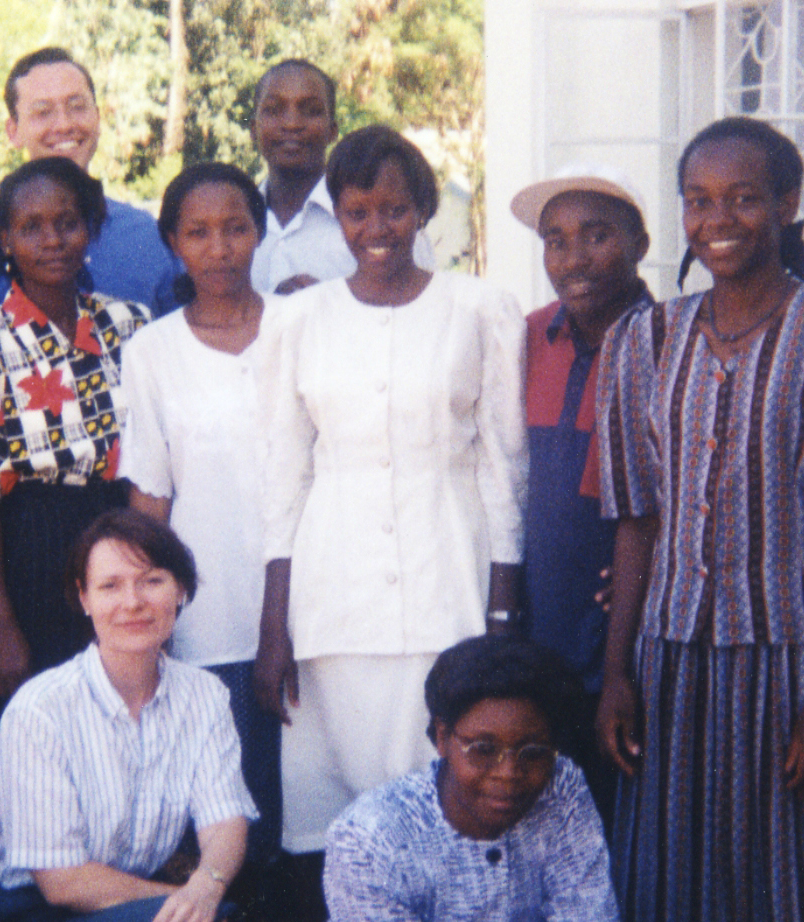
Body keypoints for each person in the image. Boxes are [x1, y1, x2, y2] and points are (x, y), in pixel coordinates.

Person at [595, 116, 804, 922]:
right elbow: (636, 522)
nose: (716, 219)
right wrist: (617, 671)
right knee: (677, 893)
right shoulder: (642, 340)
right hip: (670, 669)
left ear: (786, 203)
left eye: (741, 198)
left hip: (797, 662)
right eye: (697, 201)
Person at [255, 124, 527, 857]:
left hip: (450, 581)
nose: (377, 228)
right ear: (337, 217)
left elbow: (504, 466)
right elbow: (285, 476)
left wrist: (502, 603)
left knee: (449, 801)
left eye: (395, 209)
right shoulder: (298, 320)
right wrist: (273, 624)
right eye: (356, 211)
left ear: (422, 212)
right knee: (341, 817)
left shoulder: (478, 310)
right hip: (332, 598)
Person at [0, 155, 148, 872]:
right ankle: (27, 904)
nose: (52, 239)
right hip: (27, 550)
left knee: (118, 718)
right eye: (31, 227)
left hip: (117, 542)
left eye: (66, 222)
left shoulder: (129, 327)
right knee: (37, 729)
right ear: (3, 240)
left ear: (91, 229)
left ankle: (114, 888)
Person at [0, 510, 256, 922]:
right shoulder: (40, 710)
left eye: (152, 580)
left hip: (135, 907)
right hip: (35, 919)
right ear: (83, 598)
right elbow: (61, 882)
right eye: (110, 586)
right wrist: (191, 900)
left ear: (181, 589)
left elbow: (225, 821)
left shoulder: (205, 696)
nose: (133, 602)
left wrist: (206, 887)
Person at [121, 163, 281, 866]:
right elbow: (149, 500)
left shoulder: (300, 327)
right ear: (172, 243)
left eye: (235, 228)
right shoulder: (152, 352)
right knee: (225, 809)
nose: (219, 248)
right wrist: (147, 614)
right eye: (198, 232)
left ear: (259, 231)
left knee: (302, 806)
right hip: (209, 615)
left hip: (307, 605)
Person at [297, 635, 621, 922]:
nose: (508, 773)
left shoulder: (562, 788)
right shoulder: (368, 838)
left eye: (532, 751)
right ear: (441, 737)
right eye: (482, 748)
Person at [507, 163, 653, 818]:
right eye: (556, 240)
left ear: (639, 244)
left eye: (596, 236)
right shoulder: (526, 336)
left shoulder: (673, 340)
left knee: (626, 788)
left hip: (632, 608)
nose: (574, 258)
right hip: (542, 606)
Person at [0, 47, 178, 318]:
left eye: (77, 107)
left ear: (98, 117)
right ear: (13, 131)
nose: (64, 124)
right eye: (43, 112)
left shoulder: (145, 235)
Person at [247, 59, 435, 295]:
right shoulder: (234, 222)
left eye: (311, 111)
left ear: (333, 130)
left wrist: (335, 308)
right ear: (253, 129)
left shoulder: (387, 223)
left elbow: (421, 311)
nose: (292, 123)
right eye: (274, 110)